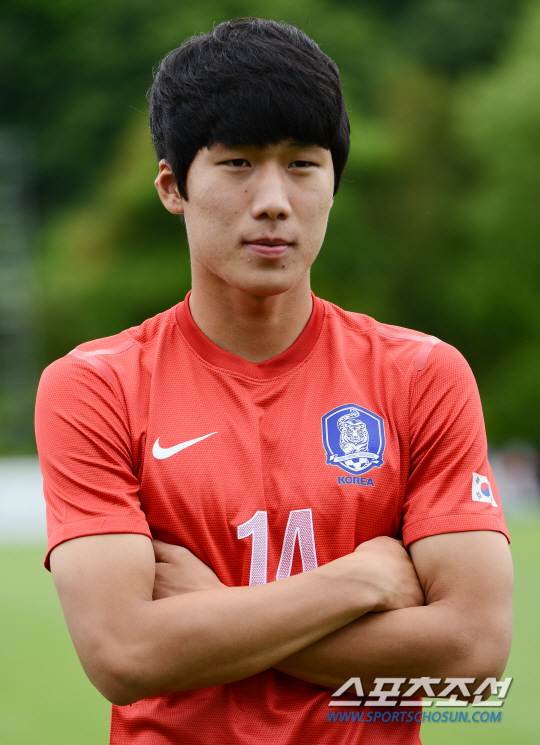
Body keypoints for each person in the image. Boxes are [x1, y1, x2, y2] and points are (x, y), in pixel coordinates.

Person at [35, 18, 513, 745]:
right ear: (172, 186)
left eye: (302, 165)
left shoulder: (421, 374)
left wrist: (212, 613)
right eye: (237, 163)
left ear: (334, 184)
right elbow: (125, 654)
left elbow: (473, 660)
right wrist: (357, 583)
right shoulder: (95, 386)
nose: (273, 201)